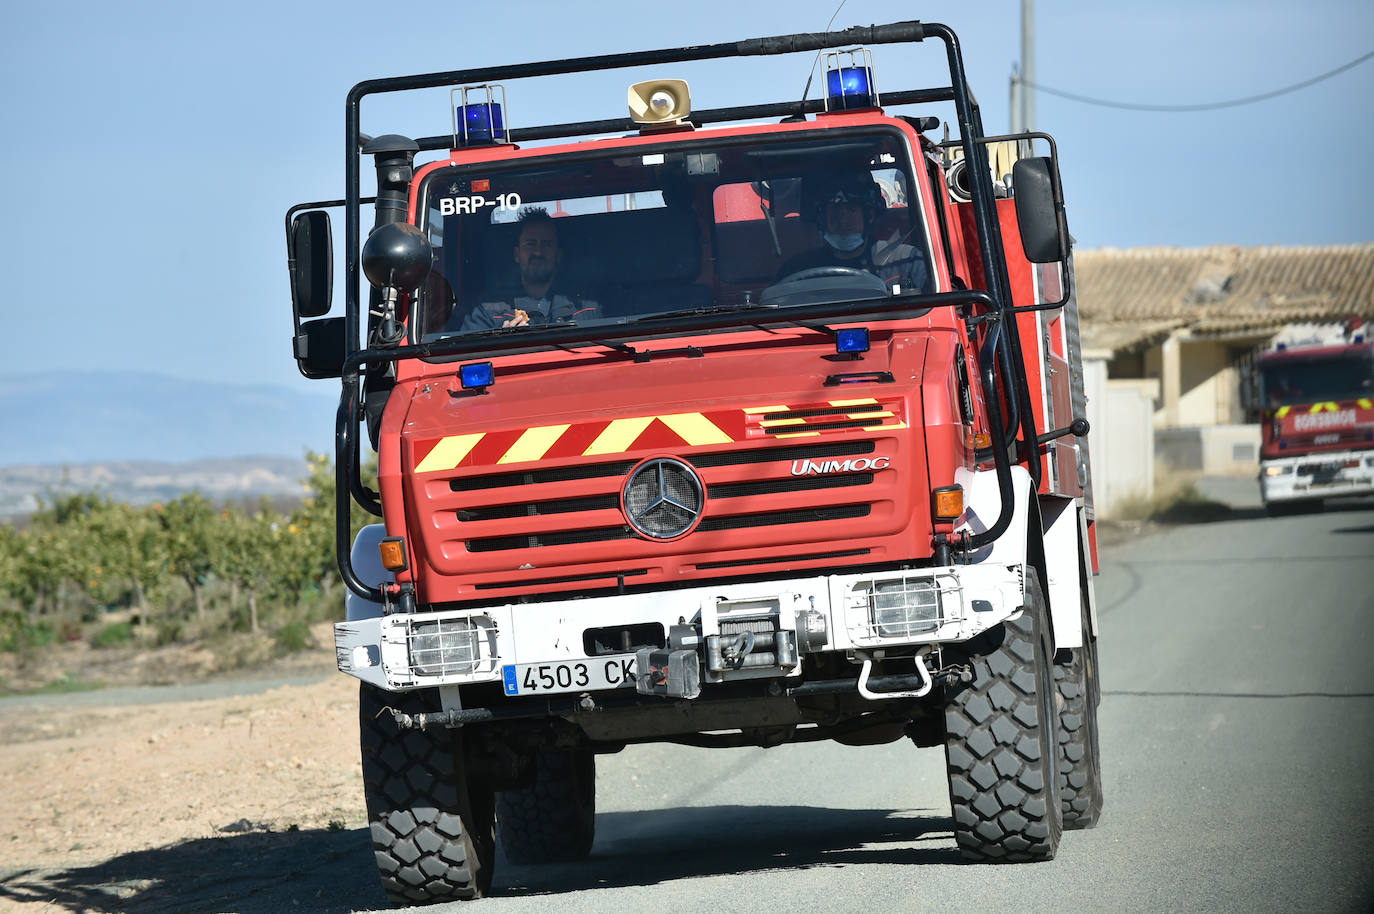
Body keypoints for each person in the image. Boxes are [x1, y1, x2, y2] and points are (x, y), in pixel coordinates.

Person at [776, 170, 930, 294]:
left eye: (851, 210)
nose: (843, 220)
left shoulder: (906, 261)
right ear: (822, 219)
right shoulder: (797, 270)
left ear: (869, 216)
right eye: (834, 211)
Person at [450, 207, 599, 331]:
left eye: (546, 244)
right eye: (530, 244)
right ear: (517, 254)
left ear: (558, 255)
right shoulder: (487, 312)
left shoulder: (587, 309)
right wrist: (501, 342)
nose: (538, 252)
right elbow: (469, 353)